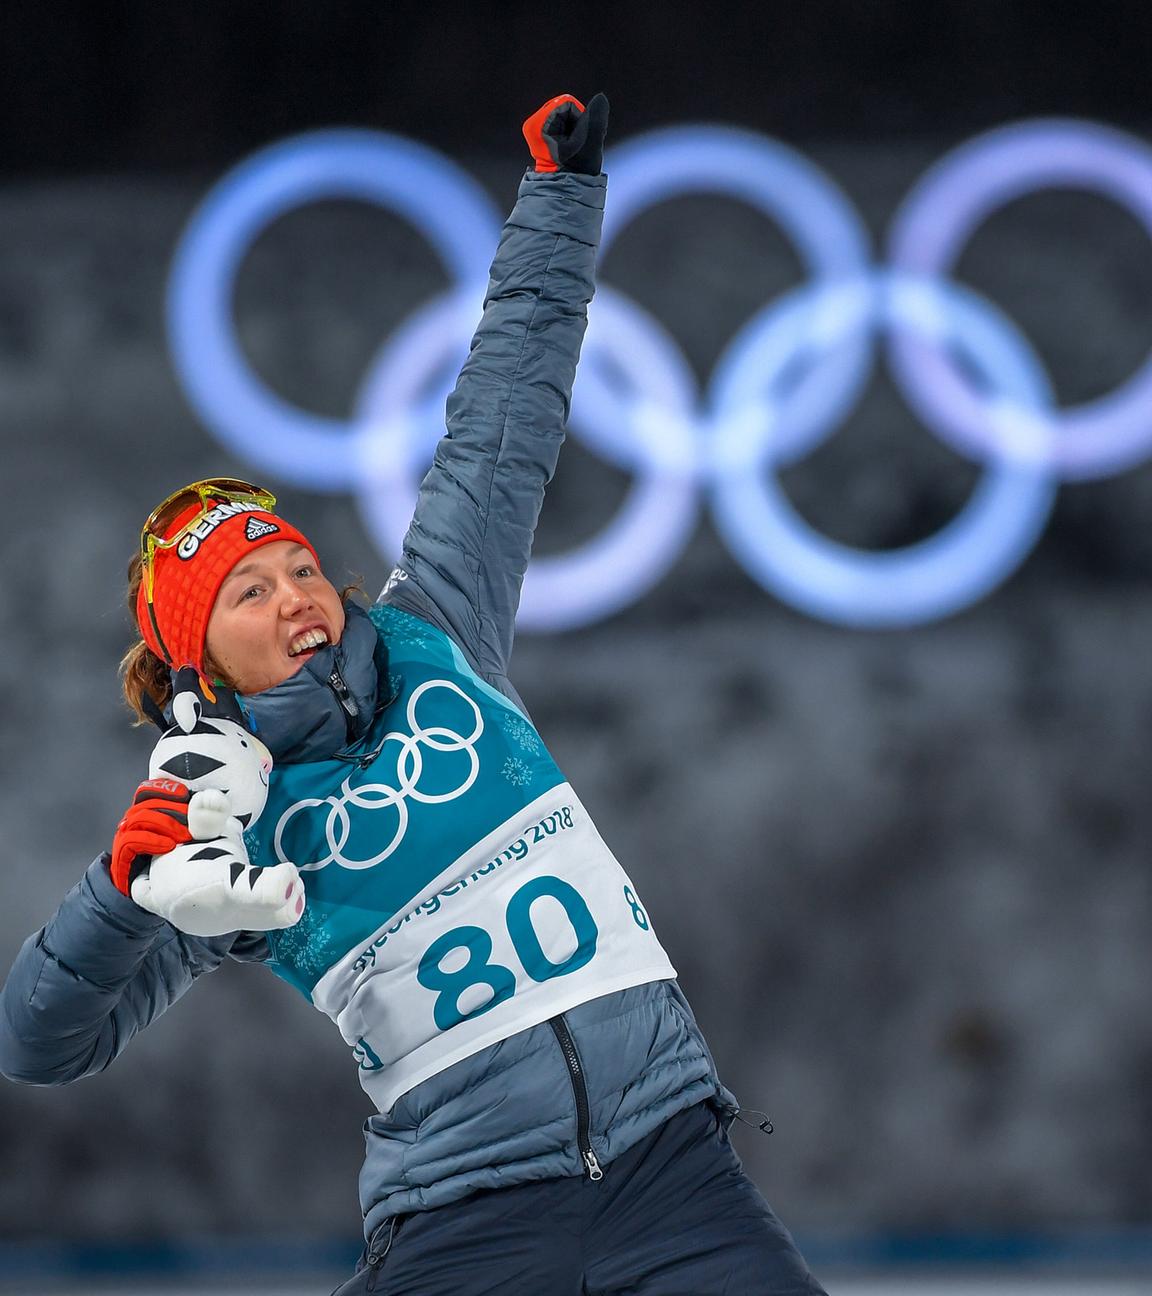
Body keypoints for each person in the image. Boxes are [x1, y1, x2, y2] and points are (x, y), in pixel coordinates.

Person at [0, 94, 828, 1296]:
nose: (298, 596)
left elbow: (504, 414)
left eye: (298, 566)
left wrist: (561, 199)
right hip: (463, 1224)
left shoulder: (440, 632)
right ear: (200, 666)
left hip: (676, 1178)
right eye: (249, 594)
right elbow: (40, 1043)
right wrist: (121, 894)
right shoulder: (227, 833)